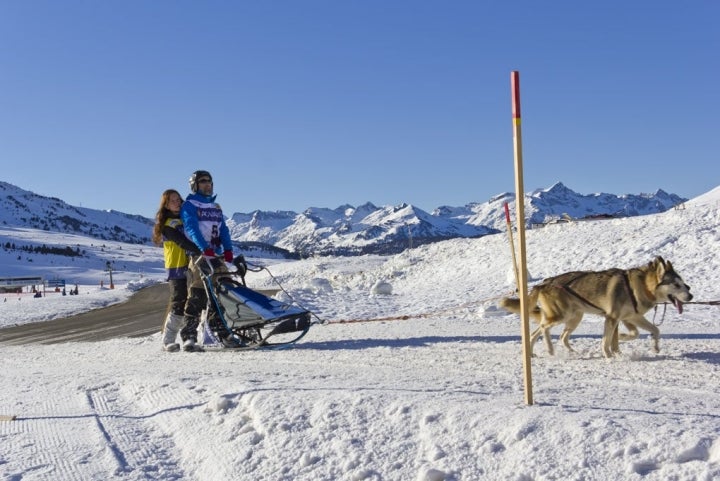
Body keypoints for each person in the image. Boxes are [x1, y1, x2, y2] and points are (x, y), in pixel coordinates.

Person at [180, 170, 241, 350]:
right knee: (198, 295)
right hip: (200, 256)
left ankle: (221, 331)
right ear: (195, 185)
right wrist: (202, 248)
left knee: (223, 293)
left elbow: (223, 230)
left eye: (210, 182)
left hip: (216, 255)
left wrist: (228, 248)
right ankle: (189, 336)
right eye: (203, 182)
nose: (208, 185)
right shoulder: (190, 205)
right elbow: (191, 228)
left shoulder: (215, 207)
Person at [152, 189, 201, 352]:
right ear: (165, 204)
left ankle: (190, 337)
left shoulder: (184, 219)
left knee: (194, 300)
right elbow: (181, 241)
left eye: (178, 199)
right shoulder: (167, 225)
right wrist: (201, 249)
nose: (177, 203)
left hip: (191, 263)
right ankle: (168, 340)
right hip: (176, 266)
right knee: (178, 301)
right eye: (173, 200)